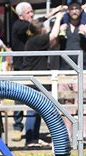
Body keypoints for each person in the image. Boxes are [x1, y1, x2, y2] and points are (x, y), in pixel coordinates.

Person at [11, 2, 64, 142]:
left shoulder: (33, 37)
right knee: (30, 106)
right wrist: (57, 17)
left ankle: (33, 137)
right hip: (25, 72)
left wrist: (55, 11)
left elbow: (37, 23)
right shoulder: (21, 27)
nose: (32, 14)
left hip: (33, 72)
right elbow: (50, 34)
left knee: (36, 107)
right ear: (21, 15)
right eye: (28, 12)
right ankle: (26, 135)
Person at [58, 0, 86, 147]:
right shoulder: (63, 24)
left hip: (83, 69)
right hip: (64, 70)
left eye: (77, 8)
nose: (74, 11)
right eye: (72, 8)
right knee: (67, 104)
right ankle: (68, 137)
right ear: (68, 10)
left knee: (83, 103)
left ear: (81, 9)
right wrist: (58, 26)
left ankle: (83, 135)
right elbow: (52, 42)